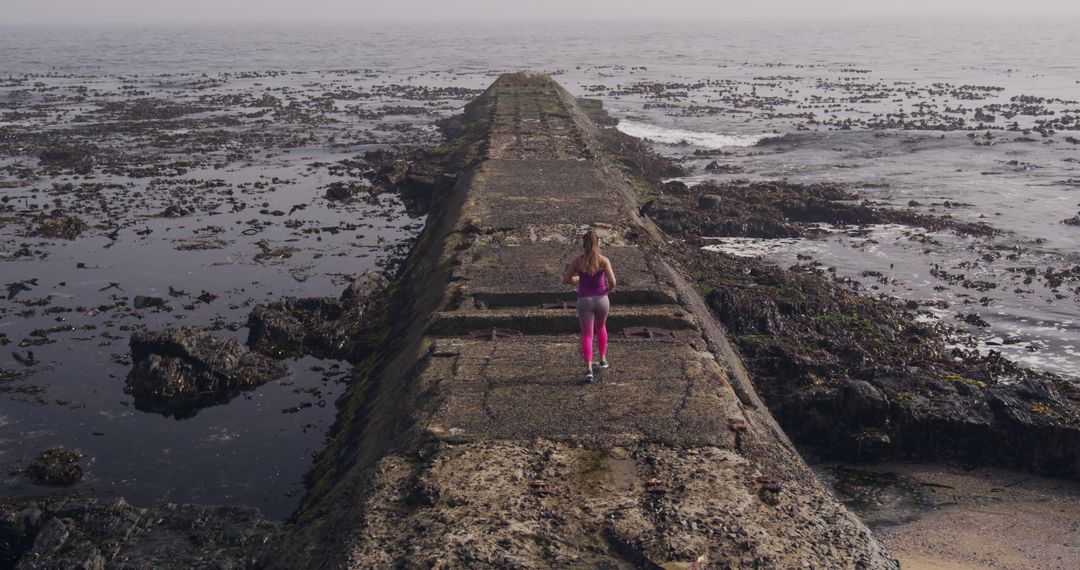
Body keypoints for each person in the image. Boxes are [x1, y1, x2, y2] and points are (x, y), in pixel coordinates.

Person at [562, 230, 617, 382]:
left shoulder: (577, 261)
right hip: (601, 299)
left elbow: (566, 280)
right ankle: (603, 360)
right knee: (601, 328)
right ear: (598, 243)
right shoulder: (604, 260)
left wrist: (579, 279)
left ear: (583, 245)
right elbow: (613, 282)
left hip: (584, 300)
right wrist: (606, 291)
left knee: (587, 335)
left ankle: (588, 370)